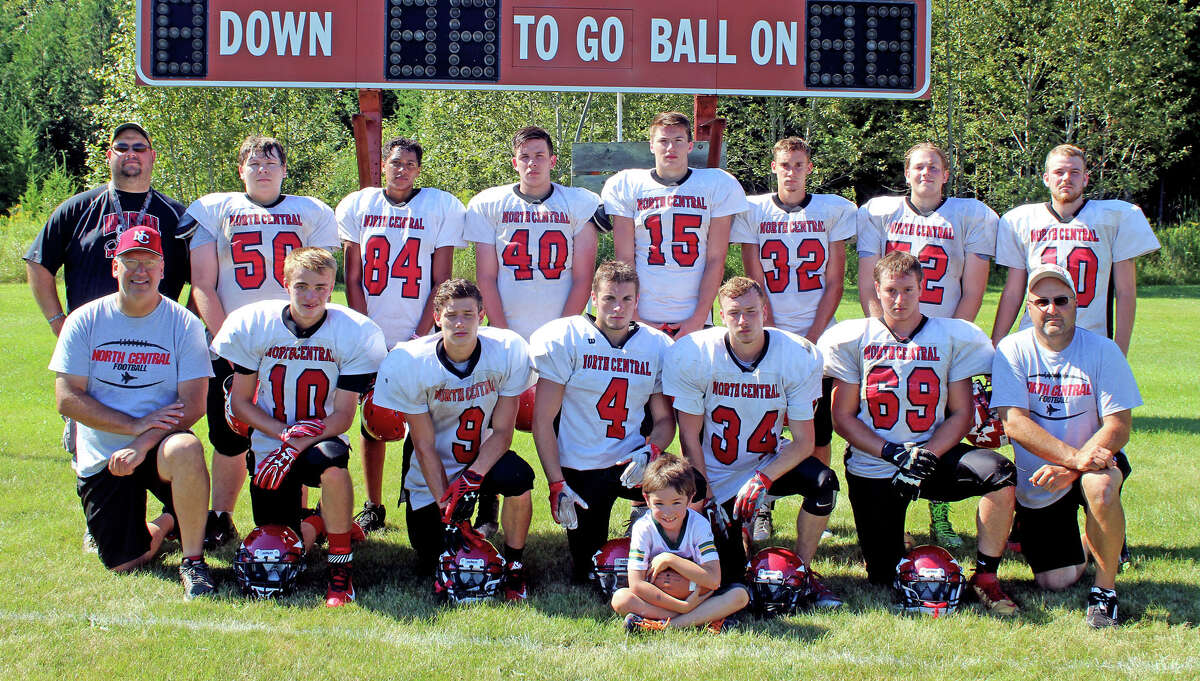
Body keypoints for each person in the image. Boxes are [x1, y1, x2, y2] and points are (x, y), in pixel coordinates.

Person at [821, 251, 1019, 615]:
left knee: (1000, 473)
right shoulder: (854, 337)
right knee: (883, 575)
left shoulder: (951, 335)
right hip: (877, 464)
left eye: (908, 290)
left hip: (933, 457)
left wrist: (926, 455)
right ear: (876, 290)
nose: (899, 300)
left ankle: (987, 575)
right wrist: (894, 453)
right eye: (891, 290)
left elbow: (961, 412)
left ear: (922, 288)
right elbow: (842, 418)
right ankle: (896, 540)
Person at [182, 135, 340, 548]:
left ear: (285, 170)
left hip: (295, 343)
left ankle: (302, 511)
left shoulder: (310, 211)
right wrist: (227, 347)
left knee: (294, 427)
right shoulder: (215, 209)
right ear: (240, 171)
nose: (263, 170)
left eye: (271, 163)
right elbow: (203, 284)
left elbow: (321, 282)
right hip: (233, 340)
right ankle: (222, 515)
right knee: (230, 435)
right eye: (253, 164)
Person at [211, 247, 386, 607]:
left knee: (334, 469)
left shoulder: (353, 332)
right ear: (285, 282)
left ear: (331, 287)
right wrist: (281, 435)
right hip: (270, 442)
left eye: (321, 287)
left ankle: (341, 571)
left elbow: (342, 417)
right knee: (284, 543)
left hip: (321, 437)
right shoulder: (255, 324)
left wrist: (297, 443)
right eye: (302, 286)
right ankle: (321, 522)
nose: (311, 296)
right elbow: (241, 402)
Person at [48, 226, 214, 598]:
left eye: (149, 263)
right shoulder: (85, 320)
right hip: (105, 453)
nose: (140, 271)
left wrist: (142, 441)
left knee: (186, 449)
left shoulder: (183, 323)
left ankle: (193, 561)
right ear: (114, 267)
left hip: (158, 446)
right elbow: (67, 398)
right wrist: (132, 425)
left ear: (162, 269)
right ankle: (170, 520)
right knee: (124, 562)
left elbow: (194, 403)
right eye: (130, 262)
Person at [663, 277, 842, 607]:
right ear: (720, 315)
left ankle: (802, 571)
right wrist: (706, 493)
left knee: (824, 483)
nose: (743, 321)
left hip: (766, 460)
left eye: (750, 311)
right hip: (716, 471)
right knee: (731, 578)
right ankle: (737, 538)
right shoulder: (696, 353)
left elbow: (804, 442)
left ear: (764, 310)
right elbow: (688, 436)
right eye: (734, 313)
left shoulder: (795, 354)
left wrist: (764, 478)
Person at [857, 142, 1000, 548]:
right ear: (906, 173)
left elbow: (973, 290)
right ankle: (890, 513)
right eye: (918, 167)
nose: (926, 173)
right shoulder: (879, 212)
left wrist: (949, 342)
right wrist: (881, 335)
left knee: (942, 426)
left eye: (934, 167)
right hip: (890, 336)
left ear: (946, 174)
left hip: (942, 338)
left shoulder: (970, 215)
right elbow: (870, 282)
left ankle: (940, 513)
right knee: (891, 422)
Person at [990, 264, 1141, 628]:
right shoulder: (1012, 349)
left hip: (1092, 460)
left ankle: (1105, 593)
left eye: (1061, 300)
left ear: (1076, 303)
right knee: (1055, 581)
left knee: (1101, 487)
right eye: (1042, 301)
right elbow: (1015, 423)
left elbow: (1118, 426)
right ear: (1028, 307)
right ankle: (1099, 540)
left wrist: (1074, 468)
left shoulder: (1102, 350)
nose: (1051, 309)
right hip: (1042, 473)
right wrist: (1071, 461)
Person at [371, 279, 536, 600]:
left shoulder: (506, 351)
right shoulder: (413, 361)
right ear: (437, 318)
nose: (460, 323)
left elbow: (503, 432)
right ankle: (473, 517)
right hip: (433, 468)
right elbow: (424, 444)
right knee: (430, 554)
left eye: (468, 314)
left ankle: (515, 563)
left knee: (519, 476)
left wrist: (473, 478)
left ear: (482, 315)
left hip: (482, 458)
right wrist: (448, 506)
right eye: (451, 315)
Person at [337, 136, 468, 534]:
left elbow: (441, 279)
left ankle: (418, 497)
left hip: (421, 332)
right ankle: (373, 504)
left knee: (423, 419)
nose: (402, 169)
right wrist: (367, 333)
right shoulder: (359, 204)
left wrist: (420, 333)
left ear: (419, 169)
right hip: (372, 329)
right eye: (396, 162)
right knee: (371, 420)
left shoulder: (440, 206)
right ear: (384, 165)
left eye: (410, 163)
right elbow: (353, 277)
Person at [732, 136, 856, 542]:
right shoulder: (754, 210)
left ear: (809, 168)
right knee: (763, 426)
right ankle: (762, 504)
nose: (791, 171)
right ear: (773, 166)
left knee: (817, 431)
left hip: (817, 335)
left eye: (799, 164)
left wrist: (813, 337)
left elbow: (836, 280)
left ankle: (816, 505)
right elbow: (754, 281)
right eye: (785, 164)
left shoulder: (831, 210)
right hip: (768, 335)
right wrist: (772, 337)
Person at [528, 261, 677, 582]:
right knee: (587, 568)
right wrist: (557, 484)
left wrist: (651, 451)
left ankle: (672, 541)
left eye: (626, 299)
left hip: (632, 461)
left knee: (691, 488)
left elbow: (665, 421)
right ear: (593, 298)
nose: (618, 307)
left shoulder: (655, 345)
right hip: (581, 467)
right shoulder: (567, 337)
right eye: (609, 298)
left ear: (637, 302)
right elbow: (543, 421)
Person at [991, 144, 1160, 355]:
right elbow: (1013, 292)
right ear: (1046, 178)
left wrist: (1119, 351)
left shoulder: (1113, 218)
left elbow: (1126, 292)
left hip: (1092, 341)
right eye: (1059, 172)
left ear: (1086, 179)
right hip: (1034, 342)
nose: (1066, 178)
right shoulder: (1021, 221)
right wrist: (996, 344)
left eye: (1074, 172)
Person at [26, 123, 191, 334]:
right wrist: (57, 321)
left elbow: (205, 278)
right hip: (90, 336)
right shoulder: (77, 209)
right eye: (122, 148)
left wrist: (187, 327)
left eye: (139, 148)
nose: (130, 153)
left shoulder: (177, 215)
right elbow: (38, 261)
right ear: (109, 155)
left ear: (153, 156)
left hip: (158, 339)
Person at [602, 111, 748, 338]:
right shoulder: (628, 185)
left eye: (678, 141)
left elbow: (716, 258)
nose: (671, 148)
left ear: (690, 145)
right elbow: (625, 260)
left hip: (694, 315)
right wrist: (636, 317)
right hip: (642, 313)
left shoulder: (716, 184)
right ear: (651, 145)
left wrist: (698, 318)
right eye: (663, 141)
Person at [465, 126, 601, 340]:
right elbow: (486, 277)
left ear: (552, 161)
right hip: (507, 325)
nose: (532, 163)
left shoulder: (578, 203)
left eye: (539, 156)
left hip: (562, 327)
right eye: (525, 156)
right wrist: (503, 334)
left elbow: (583, 277)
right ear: (514, 163)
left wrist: (561, 334)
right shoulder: (490, 204)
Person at [610, 453, 749, 632]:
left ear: (690, 498)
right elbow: (636, 584)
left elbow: (714, 580)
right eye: (659, 503)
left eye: (676, 502)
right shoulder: (643, 528)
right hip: (661, 597)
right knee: (621, 599)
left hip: (697, 594)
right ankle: (698, 618)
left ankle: (663, 624)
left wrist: (670, 559)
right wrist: (682, 607)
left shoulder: (698, 525)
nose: (668, 512)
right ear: (646, 499)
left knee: (740, 595)